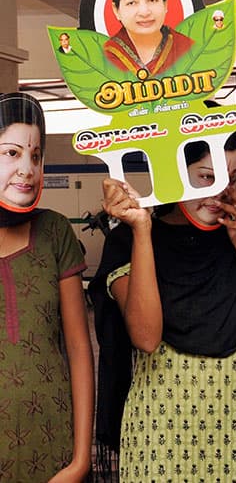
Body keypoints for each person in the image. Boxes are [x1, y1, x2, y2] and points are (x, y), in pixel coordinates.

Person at [96, 127, 236, 482]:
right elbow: (146, 336)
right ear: (174, 169)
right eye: (206, 176)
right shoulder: (129, 242)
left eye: (231, 179)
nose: (218, 193)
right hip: (159, 440)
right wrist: (142, 229)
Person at [0, 92, 93, 482]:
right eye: (11, 153)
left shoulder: (54, 231)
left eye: (35, 156)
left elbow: (78, 348)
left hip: (53, 451)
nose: (26, 169)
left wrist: (80, 460)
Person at [103, 0, 193, 77]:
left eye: (152, 0)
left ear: (165, 4)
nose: (144, 12)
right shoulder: (104, 56)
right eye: (132, 2)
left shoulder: (188, 49)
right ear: (116, 10)